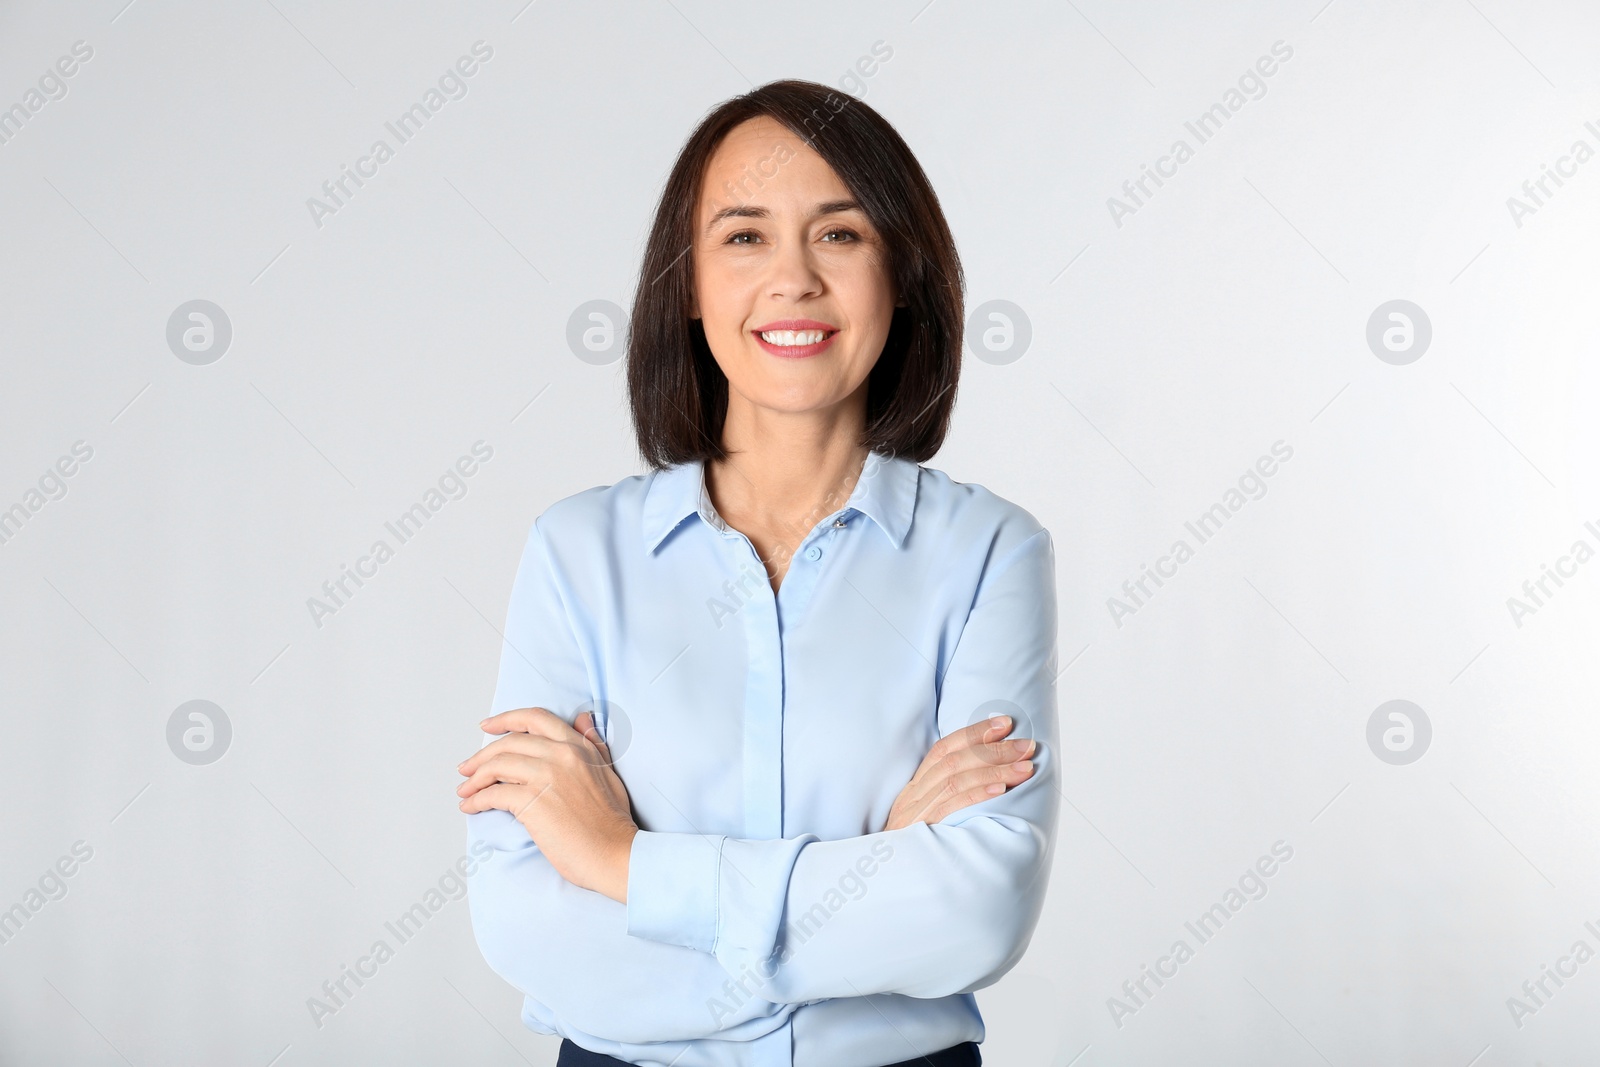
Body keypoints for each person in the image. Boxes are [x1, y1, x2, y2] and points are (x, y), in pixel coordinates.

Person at [457, 78, 1058, 1067]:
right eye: (743, 236)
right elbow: (527, 928)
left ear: (899, 272)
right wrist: (869, 876)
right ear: (687, 286)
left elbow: (973, 916)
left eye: (839, 234)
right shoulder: (572, 551)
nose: (794, 280)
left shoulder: (989, 551)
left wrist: (618, 860)